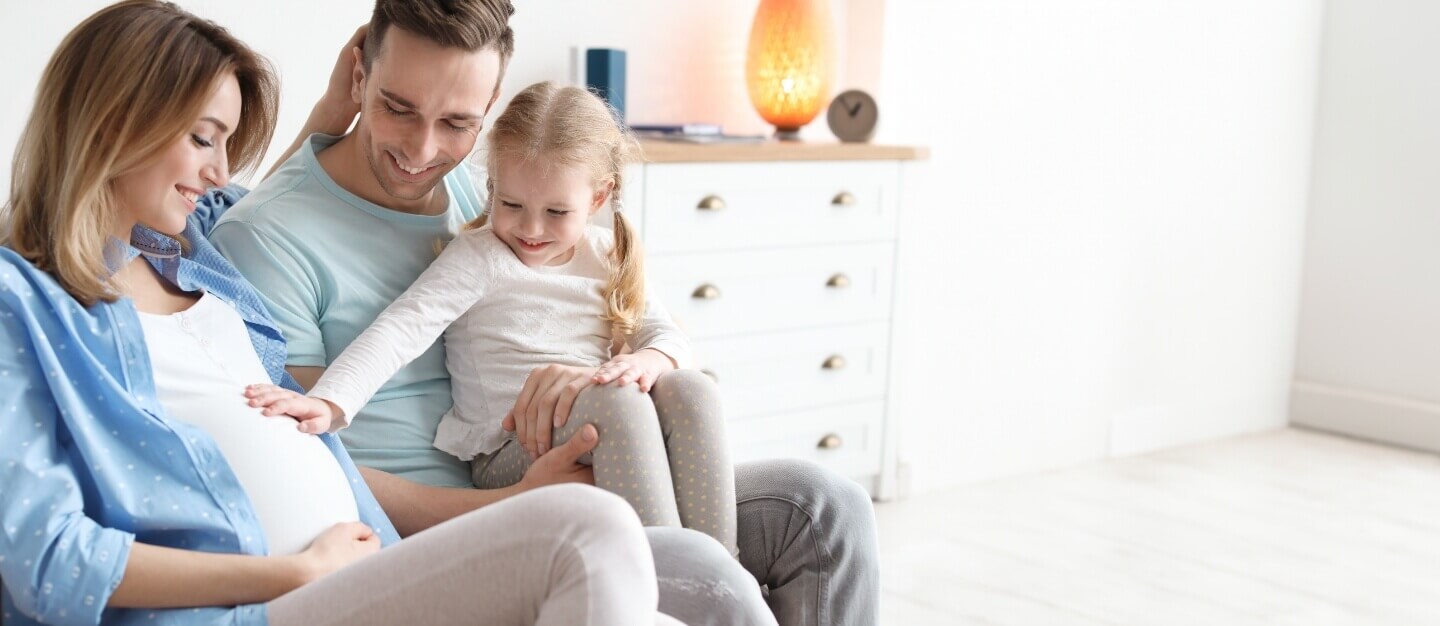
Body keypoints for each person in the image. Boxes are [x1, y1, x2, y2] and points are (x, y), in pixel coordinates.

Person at [0, 2, 675, 624]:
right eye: (205, 139)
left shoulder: (184, 248)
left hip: (365, 561)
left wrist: (337, 112)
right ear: (115, 120)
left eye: (457, 123)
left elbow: (259, 200)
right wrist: (290, 572)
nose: (218, 170)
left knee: (734, 544)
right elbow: (51, 560)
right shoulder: (26, 303)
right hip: (271, 598)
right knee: (594, 532)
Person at [211, 1, 881, 624]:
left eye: (456, 123)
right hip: (453, 519)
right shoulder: (270, 238)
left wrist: (607, 375)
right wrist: (516, 498)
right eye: (397, 108)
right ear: (359, 74)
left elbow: (613, 314)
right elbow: (310, 458)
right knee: (704, 574)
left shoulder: (494, 185)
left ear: (490, 111)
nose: (422, 152)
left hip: (586, 456)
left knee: (825, 509)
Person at [246, 80, 738, 554]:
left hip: (593, 421)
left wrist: (650, 359)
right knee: (621, 404)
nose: (530, 228)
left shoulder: (609, 253)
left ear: (597, 198)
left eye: (556, 212)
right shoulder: (480, 256)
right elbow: (401, 328)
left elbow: (666, 335)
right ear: (491, 186)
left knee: (694, 388)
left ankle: (723, 572)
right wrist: (331, 402)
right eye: (511, 203)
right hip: (507, 450)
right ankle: (672, 595)